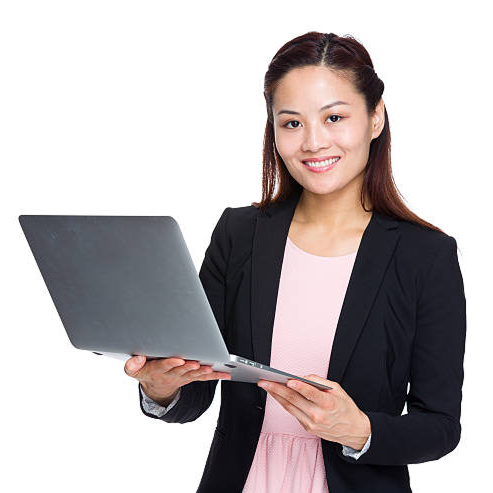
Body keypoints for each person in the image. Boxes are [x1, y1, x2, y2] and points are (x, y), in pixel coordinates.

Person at [124, 31, 467, 492]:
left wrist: (359, 430)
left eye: (334, 117)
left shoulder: (426, 256)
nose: (313, 142)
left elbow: (441, 426)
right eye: (291, 123)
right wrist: (161, 387)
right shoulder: (239, 234)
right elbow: (197, 391)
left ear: (375, 118)